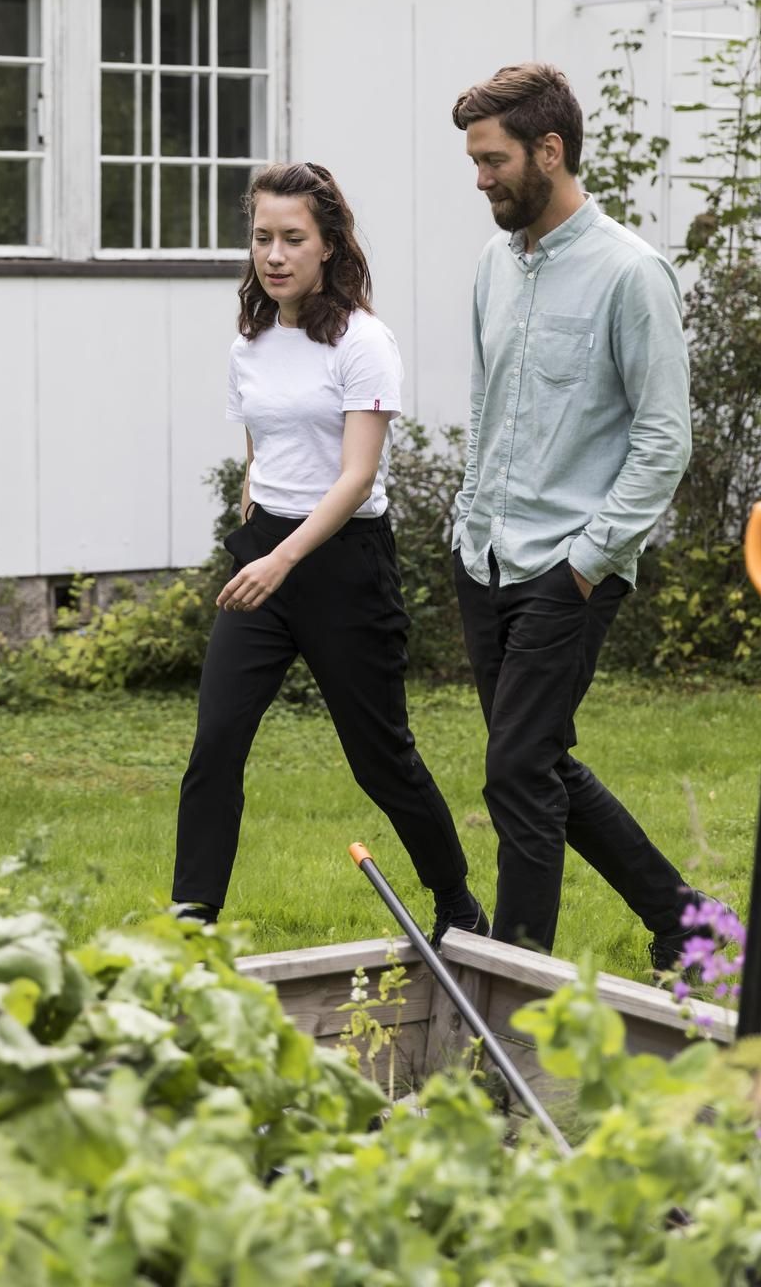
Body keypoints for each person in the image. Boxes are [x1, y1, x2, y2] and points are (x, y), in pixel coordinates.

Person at [172, 161, 486, 947]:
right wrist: (255, 510)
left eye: (292, 238)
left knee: (381, 759)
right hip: (266, 555)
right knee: (216, 743)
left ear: (329, 246)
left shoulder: (363, 341)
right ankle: (193, 920)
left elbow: (356, 477)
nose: (274, 255)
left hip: (344, 564)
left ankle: (457, 904)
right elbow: (262, 445)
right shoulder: (250, 345)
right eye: (262, 238)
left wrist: (283, 560)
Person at [449, 61, 714, 967]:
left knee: (516, 770)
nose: (480, 179)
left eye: (492, 160)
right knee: (538, 760)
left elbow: (664, 438)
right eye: (475, 161)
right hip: (485, 558)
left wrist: (590, 561)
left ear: (550, 151)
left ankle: (513, 990)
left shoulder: (631, 274)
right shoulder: (493, 267)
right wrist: (466, 520)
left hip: (568, 566)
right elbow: (485, 404)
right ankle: (688, 924)